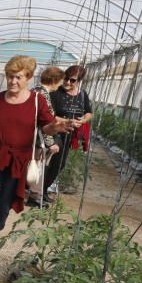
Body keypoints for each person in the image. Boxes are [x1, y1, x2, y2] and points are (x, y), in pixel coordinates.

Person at [0, 56, 75, 262]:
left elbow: (46, 126)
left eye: (18, 77)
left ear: (29, 78)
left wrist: (56, 127)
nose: (13, 81)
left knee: (5, 200)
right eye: (10, 77)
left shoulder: (36, 101)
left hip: (19, 159)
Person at [42, 65, 93, 197]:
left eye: (72, 80)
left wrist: (82, 120)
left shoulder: (82, 94)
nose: (68, 82)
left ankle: (43, 189)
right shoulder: (55, 92)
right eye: (66, 78)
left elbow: (89, 112)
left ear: (79, 81)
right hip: (53, 131)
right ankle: (39, 191)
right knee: (48, 161)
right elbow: (47, 114)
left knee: (60, 164)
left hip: (69, 134)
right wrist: (65, 121)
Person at [27, 66, 66, 207]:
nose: (61, 84)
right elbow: (44, 121)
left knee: (32, 166)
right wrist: (50, 143)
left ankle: (32, 195)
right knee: (37, 167)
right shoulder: (42, 94)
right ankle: (34, 197)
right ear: (54, 80)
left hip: (32, 136)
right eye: (60, 80)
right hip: (38, 138)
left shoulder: (35, 91)